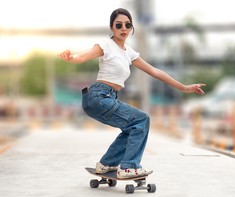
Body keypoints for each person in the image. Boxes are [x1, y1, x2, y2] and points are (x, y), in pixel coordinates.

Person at [59, 8, 206, 179]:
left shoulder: (129, 53)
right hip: (98, 96)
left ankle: (106, 164)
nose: (123, 28)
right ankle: (129, 166)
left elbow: (154, 71)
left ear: (131, 28)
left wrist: (184, 87)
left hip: (105, 98)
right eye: (118, 25)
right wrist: (71, 57)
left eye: (127, 25)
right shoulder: (105, 45)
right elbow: (82, 57)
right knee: (142, 119)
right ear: (111, 28)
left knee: (132, 127)